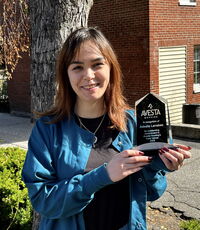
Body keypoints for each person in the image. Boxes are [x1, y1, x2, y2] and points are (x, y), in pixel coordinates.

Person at [22, 27, 191, 230]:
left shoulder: (131, 123)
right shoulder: (48, 129)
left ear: (111, 68)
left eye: (97, 64)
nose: (89, 75)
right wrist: (103, 175)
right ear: (66, 74)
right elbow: (43, 200)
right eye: (77, 67)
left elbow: (152, 192)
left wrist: (159, 166)